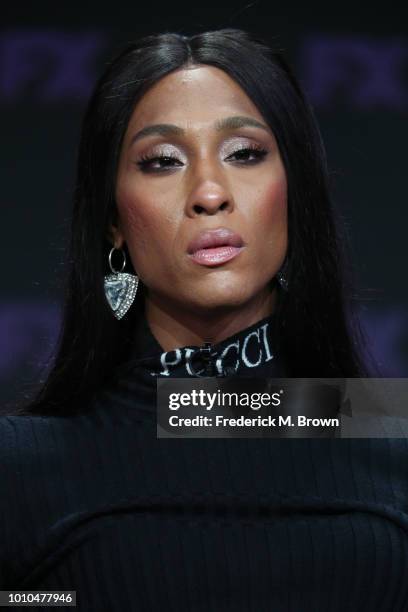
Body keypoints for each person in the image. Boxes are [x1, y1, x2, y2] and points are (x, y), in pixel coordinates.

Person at [1, 28, 407, 610]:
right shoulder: (20, 468)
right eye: (162, 162)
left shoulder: (391, 431)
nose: (209, 193)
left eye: (244, 154)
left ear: (294, 193)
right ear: (114, 219)